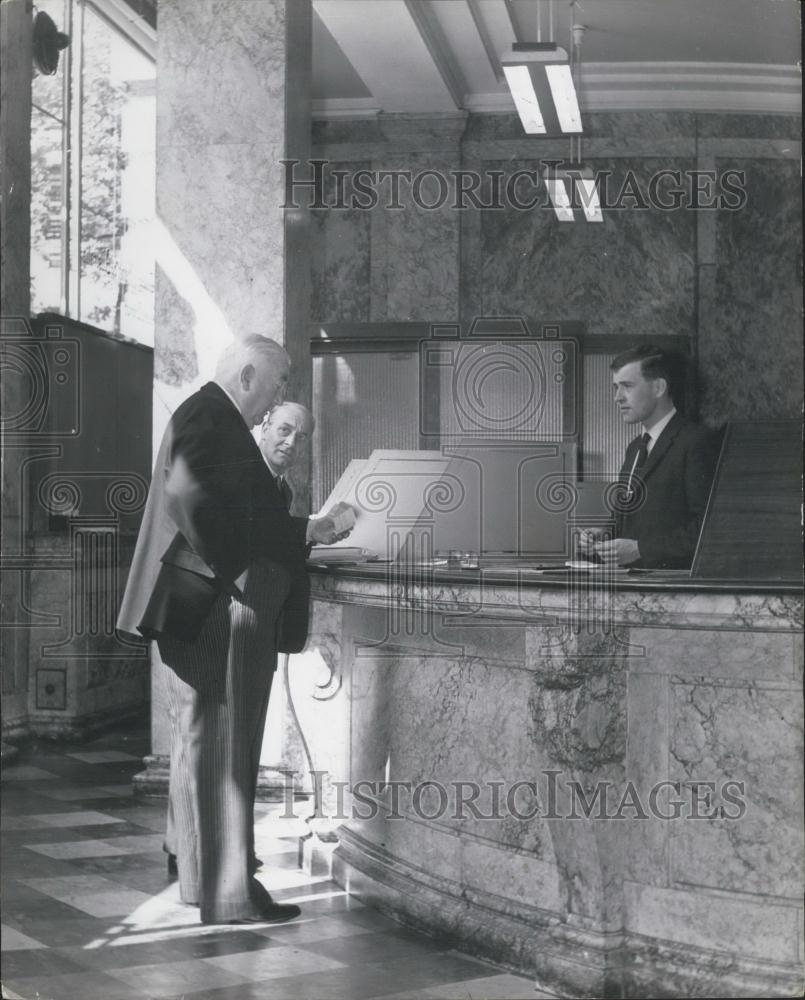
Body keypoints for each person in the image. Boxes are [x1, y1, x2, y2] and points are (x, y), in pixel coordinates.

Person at [117, 335, 347, 924]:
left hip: (213, 608)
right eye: (280, 382)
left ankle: (207, 886)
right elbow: (197, 509)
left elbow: (221, 508)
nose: (281, 393)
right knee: (225, 754)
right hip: (221, 611)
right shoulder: (210, 415)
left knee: (211, 751)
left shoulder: (210, 416)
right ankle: (231, 897)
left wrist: (292, 533)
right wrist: (289, 542)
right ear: (249, 376)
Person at [581, 344, 720, 569]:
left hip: (675, 591)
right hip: (634, 588)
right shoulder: (635, 448)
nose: (617, 397)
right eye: (615, 387)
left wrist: (640, 550)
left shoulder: (696, 442)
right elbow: (626, 514)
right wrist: (603, 534)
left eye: (627, 386)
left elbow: (709, 528)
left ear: (659, 387)